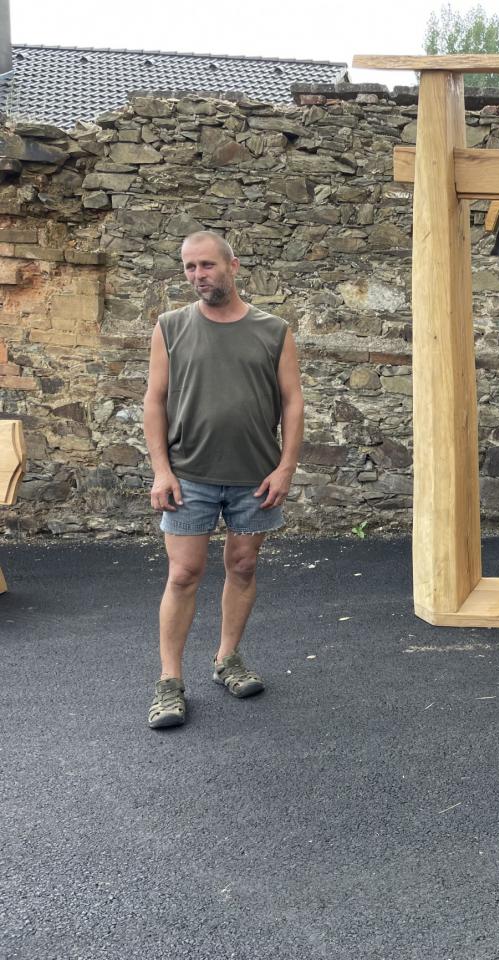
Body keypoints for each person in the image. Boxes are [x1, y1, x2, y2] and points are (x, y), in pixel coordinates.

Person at [142, 231, 304, 730]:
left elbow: (293, 401)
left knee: (244, 566)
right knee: (183, 574)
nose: (198, 276)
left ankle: (227, 659)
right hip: (188, 475)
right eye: (189, 267)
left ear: (233, 266)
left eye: (207, 265)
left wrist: (285, 468)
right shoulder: (170, 326)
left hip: (255, 477)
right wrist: (161, 470)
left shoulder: (273, 330)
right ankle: (169, 682)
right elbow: (154, 400)